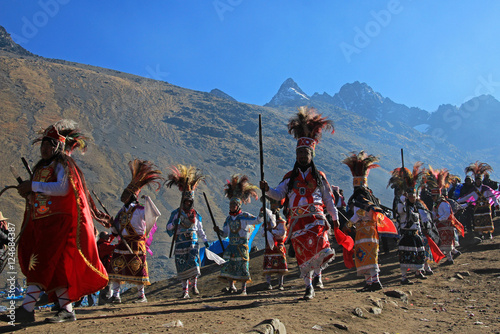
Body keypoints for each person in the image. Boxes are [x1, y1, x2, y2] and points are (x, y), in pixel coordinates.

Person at [0, 120, 110, 324]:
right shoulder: (44, 167)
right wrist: (30, 193)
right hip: (44, 222)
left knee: (40, 262)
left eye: (48, 145)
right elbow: (43, 194)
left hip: (58, 222)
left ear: (57, 147)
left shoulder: (63, 165)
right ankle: (67, 310)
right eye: (42, 145)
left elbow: (63, 189)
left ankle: (26, 308)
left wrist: (33, 185)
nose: (43, 149)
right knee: (56, 266)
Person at [260, 107, 338, 300]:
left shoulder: (320, 178)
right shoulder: (290, 178)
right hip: (297, 220)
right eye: (300, 154)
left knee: (320, 246)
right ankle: (308, 285)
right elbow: (278, 195)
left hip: (316, 217)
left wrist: (334, 218)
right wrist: (267, 189)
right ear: (296, 156)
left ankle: (318, 275)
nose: (303, 157)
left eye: (306, 154)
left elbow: (328, 199)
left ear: (312, 155)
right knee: (303, 254)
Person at [107, 159, 162, 304]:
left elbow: (153, 215)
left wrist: (148, 201)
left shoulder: (140, 210)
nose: (122, 196)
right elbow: (115, 229)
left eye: (125, 194)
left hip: (136, 244)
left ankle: (141, 296)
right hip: (123, 244)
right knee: (116, 268)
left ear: (131, 195)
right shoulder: (121, 212)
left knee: (138, 270)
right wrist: (112, 226)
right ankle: (116, 295)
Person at [344, 151, 396, 292]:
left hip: (366, 231)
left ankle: (375, 282)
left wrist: (348, 224)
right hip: (368, 231)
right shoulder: (370, 199)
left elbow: (360, 214)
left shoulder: (361, 199)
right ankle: (369, 283)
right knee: (366, 256)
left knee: (369, 257)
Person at [166, 164, 210, 299]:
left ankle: (194, 286)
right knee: (182, 267)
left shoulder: (196, 214)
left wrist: (205, 241)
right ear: (183, 201)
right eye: (186, 201)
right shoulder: (176, 213)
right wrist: (175, 223)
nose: (188, 203)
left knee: (194, 264)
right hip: (180, 244)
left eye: (190, 201)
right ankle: (184, 291)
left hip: (192, 242)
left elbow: (200, 229)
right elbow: (168, 227)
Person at [214, 174, 263, 296]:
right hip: (231, 246)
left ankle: (244, 289)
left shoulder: (244, 216)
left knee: (242, 266)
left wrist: (261, 214)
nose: (232, 207)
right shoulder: (228, 219)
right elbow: (225, 233)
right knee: (229, 265)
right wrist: (218, 231)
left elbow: (257, 221)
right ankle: (231, 286)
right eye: (230, 205)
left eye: (234, 205)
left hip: (241, 246)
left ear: (238, 206)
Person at [388, 162, 431, 285]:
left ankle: (419, 271)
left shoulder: (415, 207)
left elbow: (422, 217)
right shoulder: (403, 206)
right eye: (411, 196)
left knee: (419, 253)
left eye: (414, 197)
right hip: (406, 234)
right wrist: (403, 199)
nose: (413, 198)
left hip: (416, 233)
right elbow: (400, 211)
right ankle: (403, 277)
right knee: (405, 255)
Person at [426, 167, 464, 265]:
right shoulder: (437, 204)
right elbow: (435, 213)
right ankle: (454, 253)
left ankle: (450, 259)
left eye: (434, 196)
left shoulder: (443, 203)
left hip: (446, 225)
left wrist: (438, 219)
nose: (433, 198)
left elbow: (447, 214)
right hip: (441, 225)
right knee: (445, 243)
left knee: (445, 243)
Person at [457, 162, 500, 241]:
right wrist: (457, 201)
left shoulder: (486, 189)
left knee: (487, 219)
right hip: (477, 207)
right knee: (478, 220)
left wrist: (497, 203)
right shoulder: (473, 190)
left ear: (481, 181)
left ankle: (489, 233)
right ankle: (480, 234)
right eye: (476, 180)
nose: (477, 182)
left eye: (479, 180)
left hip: (486, 207)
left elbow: (493, 196)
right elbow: (466, 197)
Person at [262, 197, 288, 291]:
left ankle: (280, 284)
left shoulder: (281, 222)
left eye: (275, 210)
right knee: (269, 264)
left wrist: (272, 231)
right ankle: (268, 283)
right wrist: (267, 231)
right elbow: (262, 233)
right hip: (269, 245)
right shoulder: (267, 222)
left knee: (280, 266)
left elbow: (282, 233)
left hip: (279, 245)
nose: (273, 212)